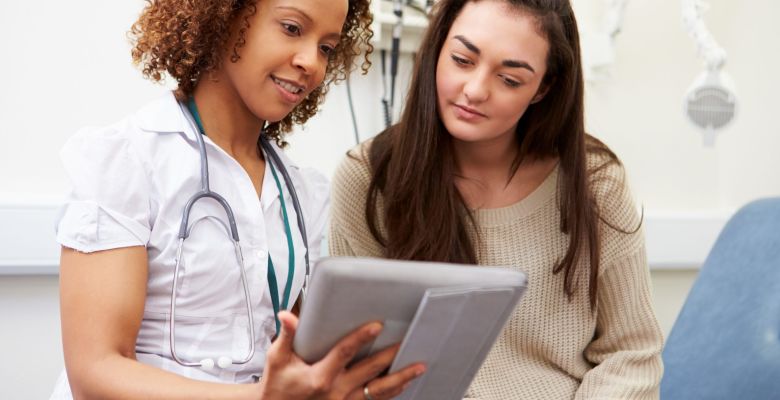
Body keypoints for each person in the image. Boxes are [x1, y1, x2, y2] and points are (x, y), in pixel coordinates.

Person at [52, 0, 424, 398]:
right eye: (292, 28)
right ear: (223, 15)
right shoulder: (127, 160)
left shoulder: (300, 192)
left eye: (327, 48)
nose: (311, 63)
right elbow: (95, 373)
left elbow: (292, 354)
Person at [328, 0, 664, 398]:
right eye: (462, 60)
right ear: (437, 48)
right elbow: (356, 359)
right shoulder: (369, 178)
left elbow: (632, 354)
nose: (474, 90)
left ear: (544, 88)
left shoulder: (595, 183)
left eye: (509, 79)